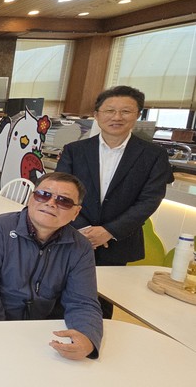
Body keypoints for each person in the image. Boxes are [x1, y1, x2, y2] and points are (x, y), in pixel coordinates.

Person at [56, 85, 173, 318]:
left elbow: (149, 200)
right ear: (97, 115)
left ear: (137, 115)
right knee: (59, 292)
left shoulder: (153, 155)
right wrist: (84, 229)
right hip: (73, 235)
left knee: (102, 303)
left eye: (125, 111)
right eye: (110, 110)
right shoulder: (75, 150)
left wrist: (109, 231)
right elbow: (62, 192)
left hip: (117, 243)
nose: (117, 117)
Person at [0, 172, 103, 360]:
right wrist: (3, 329)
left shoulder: (80, 247)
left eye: (64, 201)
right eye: (43, 195)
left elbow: (82, 301)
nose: (51, 203)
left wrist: (87, 337)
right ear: (31, 198)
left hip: (43, 334)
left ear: (76, 212)